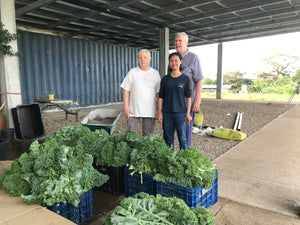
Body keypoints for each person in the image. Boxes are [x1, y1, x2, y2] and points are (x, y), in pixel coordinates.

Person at [120, 49, 161, 136]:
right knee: (131, 135)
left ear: (149, 59)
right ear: (137, 59)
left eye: (145, 57)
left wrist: (159, 110)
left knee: (148, 136)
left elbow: (158, 93)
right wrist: (126, 108)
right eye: (140, 58)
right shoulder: (132, 72)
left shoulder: (155, 73)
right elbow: (126, 90)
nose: (143, 59)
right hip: (133, 110)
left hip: (150, 110)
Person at [157, 52, 192, 150]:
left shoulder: (185, 79)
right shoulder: (165, 79)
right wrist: (159, 112)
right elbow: (161, 97)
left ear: (180, 62)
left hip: (180, 114)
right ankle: (170, 161)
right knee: (168, 140)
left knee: (183, 139)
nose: (174, 63)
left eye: (176, 60)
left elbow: (188, 98)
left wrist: (188, 113)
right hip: (167, 114)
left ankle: (183, 161)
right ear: (169, 63)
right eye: (171, 61)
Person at [174, 32, 204, 147]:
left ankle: (185, 155)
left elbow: (199, 80)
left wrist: (197, 101)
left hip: (188, 103)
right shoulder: (173, 58)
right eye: (176, 41)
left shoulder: (193, 58)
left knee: (186, 131)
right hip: (175, 102)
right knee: (173, 129)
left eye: (180, 41)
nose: (177, 43)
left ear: (186, 42)